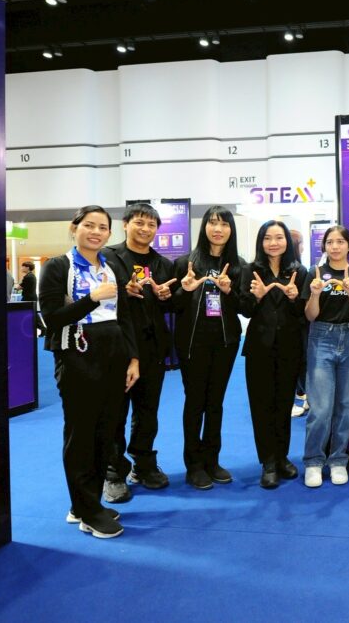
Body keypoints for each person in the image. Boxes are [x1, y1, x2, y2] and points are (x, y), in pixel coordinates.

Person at [38, 205, 139, 539]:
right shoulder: (58, 266)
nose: (96, 232)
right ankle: (87, 510)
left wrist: (133, 359)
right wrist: (92, 298)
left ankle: (86, 502)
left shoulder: (111, 267)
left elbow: (124, 316)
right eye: (89, 225)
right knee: (81, 434)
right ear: (75, 228)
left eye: (103, 227)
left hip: (114, 355)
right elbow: (52, 318)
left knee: (106, 432)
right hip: (77, 356)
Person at [101, 203, 177, 502]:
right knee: (115, 412)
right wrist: (123, 291)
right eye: (139, 222)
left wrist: (166, 296)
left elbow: (171, 304)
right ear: (125, 224)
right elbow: (96, 296)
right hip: (117, 347)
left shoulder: (163, 264)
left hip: (153, 347)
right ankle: (113, 471)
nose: (145, 229)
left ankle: (143, 463)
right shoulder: (108, 257)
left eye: (151, 224)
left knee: (147, 412)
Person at [172, 206, 244, 490]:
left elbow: (246, 307)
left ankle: (212, 460)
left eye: (224, 224)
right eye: (212, 223)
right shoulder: (185, 263)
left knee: (215, 403)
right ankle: (194, 465)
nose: (218, 229)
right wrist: (185, 290)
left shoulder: (238, 265)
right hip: (192, 343)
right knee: (195, 403)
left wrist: (229, 291)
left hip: (225, 343)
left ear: (231, 230)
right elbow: (172, 305)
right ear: (204, 227)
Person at [301, 225, 349, 487]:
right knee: (320, 408)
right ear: (324, 246)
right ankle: (313, 461)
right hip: (321, 338)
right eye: (330, 242)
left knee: (346, 405)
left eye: (340, 241)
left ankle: (338, 460)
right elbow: (310, 315)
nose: (335, 246)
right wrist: (315, 294)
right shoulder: (315, 273)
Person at [239, 220, 308, 489]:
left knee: (284, 404)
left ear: (287, 242)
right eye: (268, 238)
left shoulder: (299, 271)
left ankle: (282, 457)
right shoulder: (250, 270)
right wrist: (256, 297)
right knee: (262, 405)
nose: (273, 243)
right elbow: (244, 309)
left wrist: (294, 298)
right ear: (261, 242)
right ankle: (267, 461)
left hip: (290, 347)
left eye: (279, 237)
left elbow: (304, 313)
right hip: (260, 347)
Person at [289, 228, 310, 418]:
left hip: (298, 324)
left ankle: (302, 394)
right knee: (300, 362)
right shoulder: (298, 269)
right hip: (296, 326)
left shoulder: (299, 269)